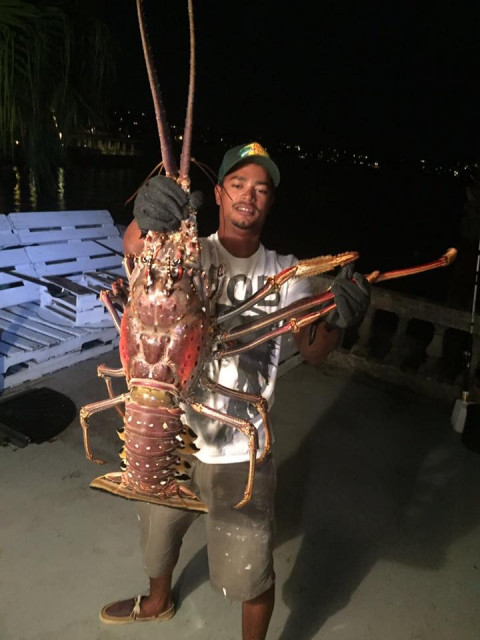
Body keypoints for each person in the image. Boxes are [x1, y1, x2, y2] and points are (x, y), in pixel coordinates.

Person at [100, 142, 370, 639]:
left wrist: (337, 318)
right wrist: (145, 216)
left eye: (261, 189)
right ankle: (158, 599)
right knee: (157, 539)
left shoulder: (284, 272)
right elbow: (136, 249)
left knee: (249, 574)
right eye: (239, 184)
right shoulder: (190, 253)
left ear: (270, 203)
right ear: (220, 194)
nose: (249, 195)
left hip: (241, 452)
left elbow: (314, 350)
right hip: (170, 432)